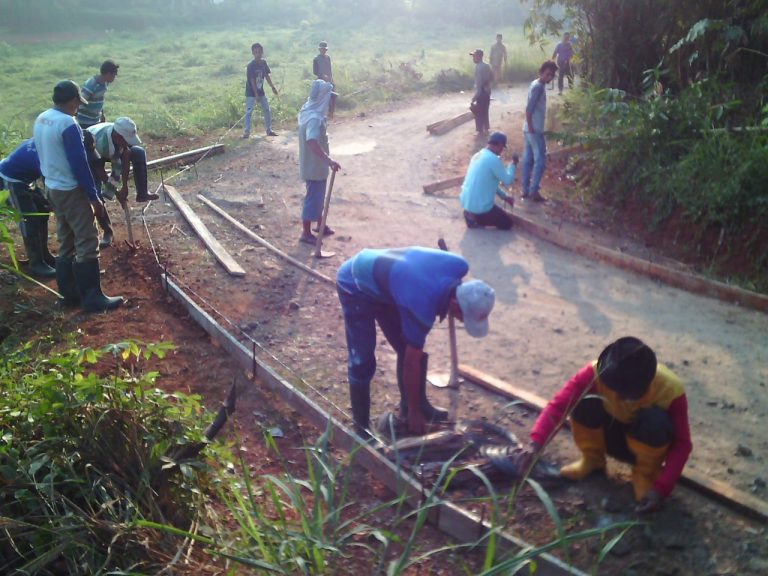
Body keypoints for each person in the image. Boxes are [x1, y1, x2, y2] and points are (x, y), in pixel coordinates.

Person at [517, 337, 693, 513]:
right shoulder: (595, 373)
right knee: (584, 401)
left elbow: (682, 444)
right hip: (607, 436)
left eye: (626, 392)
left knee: (655, 420)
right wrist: (536, 443)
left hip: (644, 447)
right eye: (615, 389)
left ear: (646, 383)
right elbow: (559, 406)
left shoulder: (671, 390)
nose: (619, 396)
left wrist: (661, 489)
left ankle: (645, 476)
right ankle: (593, 460)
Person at [337, 247, 495, 438]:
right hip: (355, 282)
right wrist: (415, 414)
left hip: (391, 284)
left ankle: (415, 405)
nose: (462, 321)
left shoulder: (459, 266)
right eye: (464, 317)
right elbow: (411, 364)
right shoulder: (421, 304)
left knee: (407, 348)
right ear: (454, 303)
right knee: (363, 359)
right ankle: (360, 430)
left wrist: (414, 408)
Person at [34, 80, 123, 312]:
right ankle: (93, 298)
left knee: (66, 240)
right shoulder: (68, 123)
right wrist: (93, 197)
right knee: (87, 239)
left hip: (52, 187)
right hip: (71, 189)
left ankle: (69, 294)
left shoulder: (42, 118)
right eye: (77, 103)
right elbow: (79, 163)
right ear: (73, 101)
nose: (78, 108)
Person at [0, 139, 56, 278]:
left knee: (42, 211)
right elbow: (48, 181)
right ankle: (36, 262)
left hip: (26, 179)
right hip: (10, 179)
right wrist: (52, 201)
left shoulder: (47, 140)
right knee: (29, 219)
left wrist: (47, 202)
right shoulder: (47, 153)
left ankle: (44, 254)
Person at [297, 79, 341, 244]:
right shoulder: (314, 118)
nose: (330, 101)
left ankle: (320, 225)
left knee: (317, 197)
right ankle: (306, 233)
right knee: (313, 198)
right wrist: (328, 160)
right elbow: (312, 141)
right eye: (329, 98)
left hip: (313, 165)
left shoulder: (308, 111)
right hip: (314, 166)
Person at [86, 117, 157, 209]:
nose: (128, 144)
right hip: (89, 152)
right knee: (95, 184)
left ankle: (142, 193)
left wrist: (124, 186)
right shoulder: (99, 143)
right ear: (118, 137)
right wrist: (116, 192)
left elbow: (126, 156)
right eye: (126, 141)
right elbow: (100, 171)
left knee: (138, 152)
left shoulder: (119, 136)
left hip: (108, 148)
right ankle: (98, 205)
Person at [460, 131, 517, 230]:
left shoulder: (477, 155)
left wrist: (505, 197)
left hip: (466, 203)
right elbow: (507, 181)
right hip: (480, 207)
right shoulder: (493, 159)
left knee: (494, 210)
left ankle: (470, 213)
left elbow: (489, 184)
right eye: (502, 147)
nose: (501, 151)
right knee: (507, 223)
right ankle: (476, 218)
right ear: (499, 145)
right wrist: (513, 165)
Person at [521, 60, 557, 203]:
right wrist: (531, 127)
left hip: (529, 129)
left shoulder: (536, 84)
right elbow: (529, 109)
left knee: (528, 160)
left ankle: (525, 190)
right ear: (541, 73)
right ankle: (533, 191)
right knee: (540, 161)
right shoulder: (538, 87)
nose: (550, 77)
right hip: (534, 129)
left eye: (552, 75)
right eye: (548, 74)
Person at [243, 42, 279, 138]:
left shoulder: (263, 63)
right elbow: (252, 80)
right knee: (249, 111)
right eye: (255, 52)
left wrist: (272, 87)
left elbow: (266, 75)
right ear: (253, 53)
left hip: (260, 90)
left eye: (259, 52)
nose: (258, 54)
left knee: (267, 109)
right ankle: (246, 132)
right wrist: (256, 94)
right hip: (251, 91)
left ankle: (269, 130)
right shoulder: (251, 65)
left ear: (262, 52)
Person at [76, 59, 119, 129]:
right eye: (114, 75)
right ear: (108, 74)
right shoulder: (92, 84)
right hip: (84, 122)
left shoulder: (105, 83)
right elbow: (80, 100)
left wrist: (102, 115)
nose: (115, 78)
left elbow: (100, 100)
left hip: (95, 120)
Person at [470, 49, 493, 134]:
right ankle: (486, 128)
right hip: (487, 91)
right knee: (485, 110)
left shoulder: (478, 68)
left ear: (479, 57)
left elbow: (479, 83)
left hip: (482, 92)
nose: (473, 58)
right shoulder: (487, 66)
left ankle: (480, 131)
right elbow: (491, 77)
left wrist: (475, 96)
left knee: (478, 112)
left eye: (474, 56)